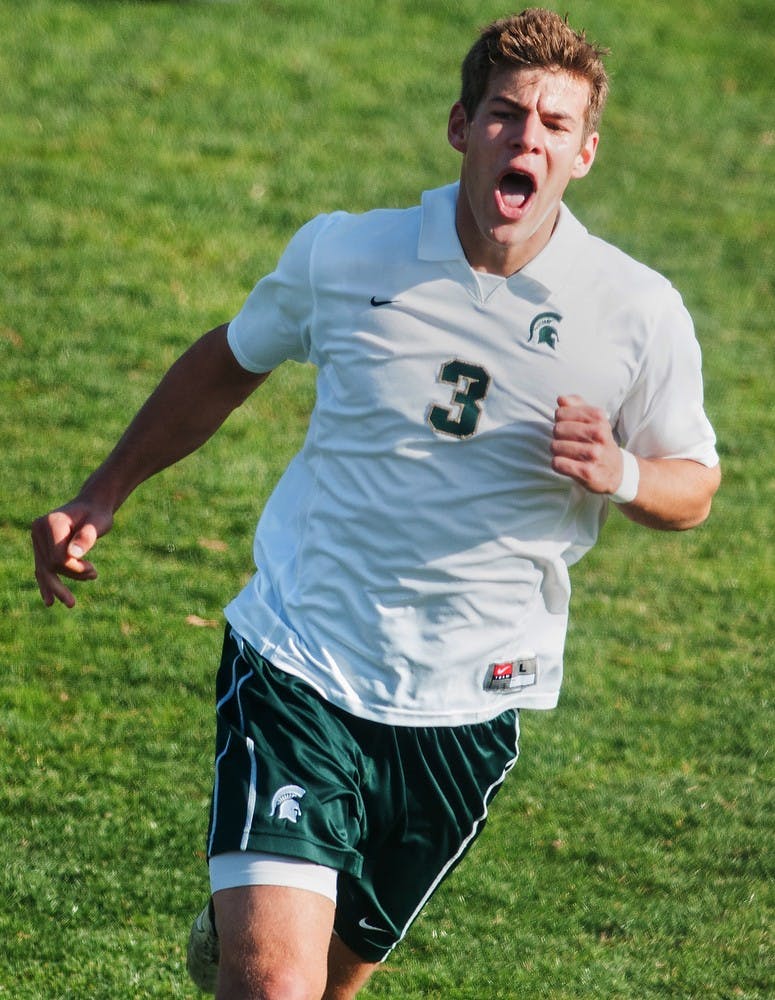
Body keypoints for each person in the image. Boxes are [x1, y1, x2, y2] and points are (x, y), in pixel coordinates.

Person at [32, 8, 721, 999]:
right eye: (505, 113)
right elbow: (231, 360)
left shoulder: (635, 311)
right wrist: (102, 492)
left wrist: (619, 473)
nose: (527, 136)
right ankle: (253, 940)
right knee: (274, 984)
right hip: (300, 662)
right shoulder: (347, 257)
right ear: (460, 127)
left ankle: (243, 931)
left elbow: (691, 486)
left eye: (555, 125)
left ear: (585, 154)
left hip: (466, 700)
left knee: (332, 980)